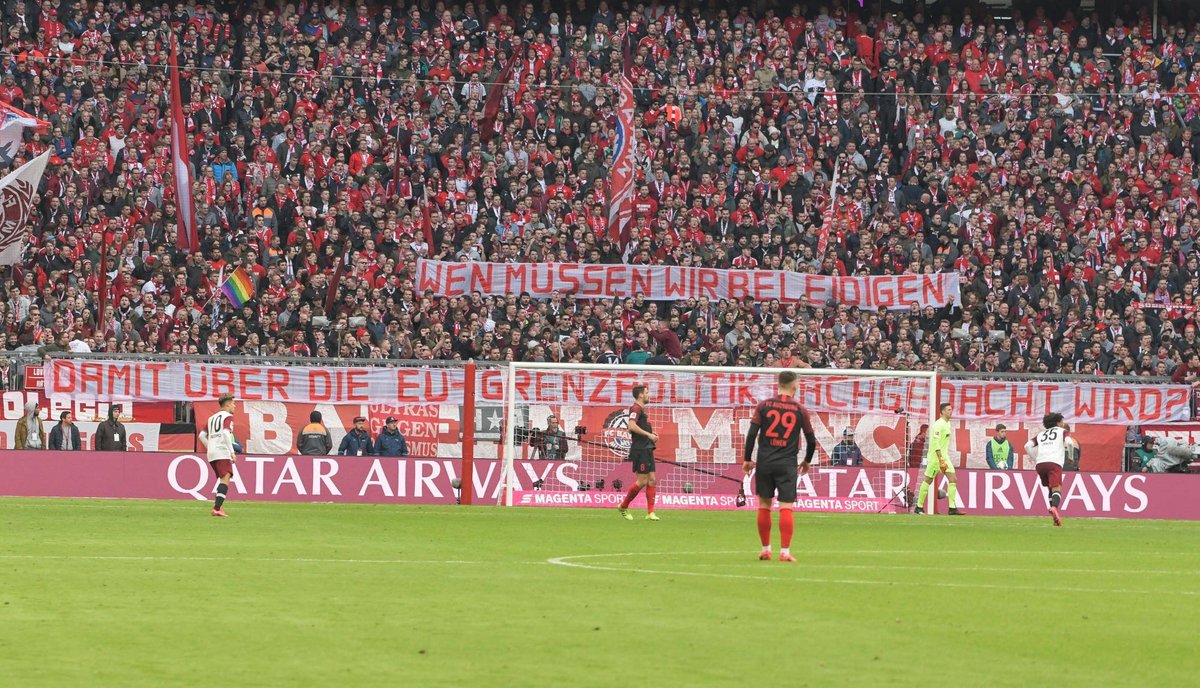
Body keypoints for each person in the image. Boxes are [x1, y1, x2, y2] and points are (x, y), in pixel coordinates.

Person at [743, 371, 817, 562]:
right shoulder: (800, 409)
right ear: (794, 386)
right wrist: (807, 461)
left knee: (764, 505)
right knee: (786, 506)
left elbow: (751, 434)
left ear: (778, 384)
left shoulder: (764, 405)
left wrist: (747, 459)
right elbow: (811, 440)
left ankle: (765, 549)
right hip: (787, 463)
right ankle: (784, 552)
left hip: (765, 462)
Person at [1024, 412, 1077, 527]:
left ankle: (1055, 517)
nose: (1063, 424)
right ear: (1058, 422)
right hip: (1054, 463)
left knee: (1050, 489)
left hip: (1040, 464)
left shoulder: (1041, 434)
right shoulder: (1062, 431)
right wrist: (1071, 457)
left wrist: (1036, 458)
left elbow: (1027, 446)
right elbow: (1069, 442)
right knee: (1057, 488)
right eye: (1062, 421)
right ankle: (1054, 507)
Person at [618, 385, 660, 521]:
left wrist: (651, 434)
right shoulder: (635, 408)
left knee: (652, 479)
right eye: (647, 392)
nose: (649, 395)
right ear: (641, 395)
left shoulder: (641, 410)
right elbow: (631, 426)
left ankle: (650, 513)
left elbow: (633, 428)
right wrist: (648, 435)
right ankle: (623, 506)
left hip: (646, 448)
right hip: (640, 449)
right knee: (642, 481)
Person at [915, 403, 963, 515]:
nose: (951, 411)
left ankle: (952, 508)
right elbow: (935, 442)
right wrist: (940, 458)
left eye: (951, 409)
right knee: (928, 480)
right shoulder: (938, 424)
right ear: (942, 412)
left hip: (944, 457)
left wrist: (943, 458)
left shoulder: (948, 423)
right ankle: (919, 507)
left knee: (953, 479)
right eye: (948, 410)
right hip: (936, 458)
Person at [202, 394, 242, 517]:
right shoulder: (228, 417)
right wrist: (232, 452)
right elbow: (225, 433)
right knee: (226, 478)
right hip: (222, 451)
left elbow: (201, 436)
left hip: (211, 452)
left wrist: (210, 447)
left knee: (222, 479)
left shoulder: (211, 418)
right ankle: (217, 508)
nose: (235, 406)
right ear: (228, 404)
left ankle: (218, 506)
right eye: (233, 403)